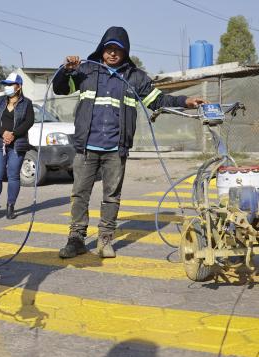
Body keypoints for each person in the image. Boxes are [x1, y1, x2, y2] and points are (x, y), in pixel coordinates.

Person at [53, 27, 205, 259]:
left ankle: (105, 239)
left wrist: (185, 101)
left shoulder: (135, 77)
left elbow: (158, 100)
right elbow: (60, 88)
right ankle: (76, 239)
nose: (113, 54)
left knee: (111, 196)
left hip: (116, 148)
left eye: (118, 50)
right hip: (86, 147)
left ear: (125, 52)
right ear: (102, 50)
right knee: (79, 194)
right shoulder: (86, 70)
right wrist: (66, 71)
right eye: (109, 49)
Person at [0, 72, 35, 220]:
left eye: (10, 85)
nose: (7, 87)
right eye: (5, 85)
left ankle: (10, 207)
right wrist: (3, 133)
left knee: (13, 176)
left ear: (18, 87)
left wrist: (14, 134)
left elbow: (28, 122)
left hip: (17, 145)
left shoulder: (27, 103)